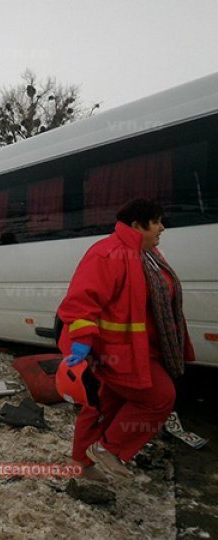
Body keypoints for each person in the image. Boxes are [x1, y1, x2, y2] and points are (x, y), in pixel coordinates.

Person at [57, 198, 194, 479]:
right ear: (136, 225)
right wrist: (82, 340)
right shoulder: (108, 253)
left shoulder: (150, 256)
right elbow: (80, 303)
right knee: (159, 398)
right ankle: (109, 449)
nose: (162, 228)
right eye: (155, 222)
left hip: (145, 350)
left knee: (103, 405)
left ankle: (82, 464)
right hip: (116, 353)